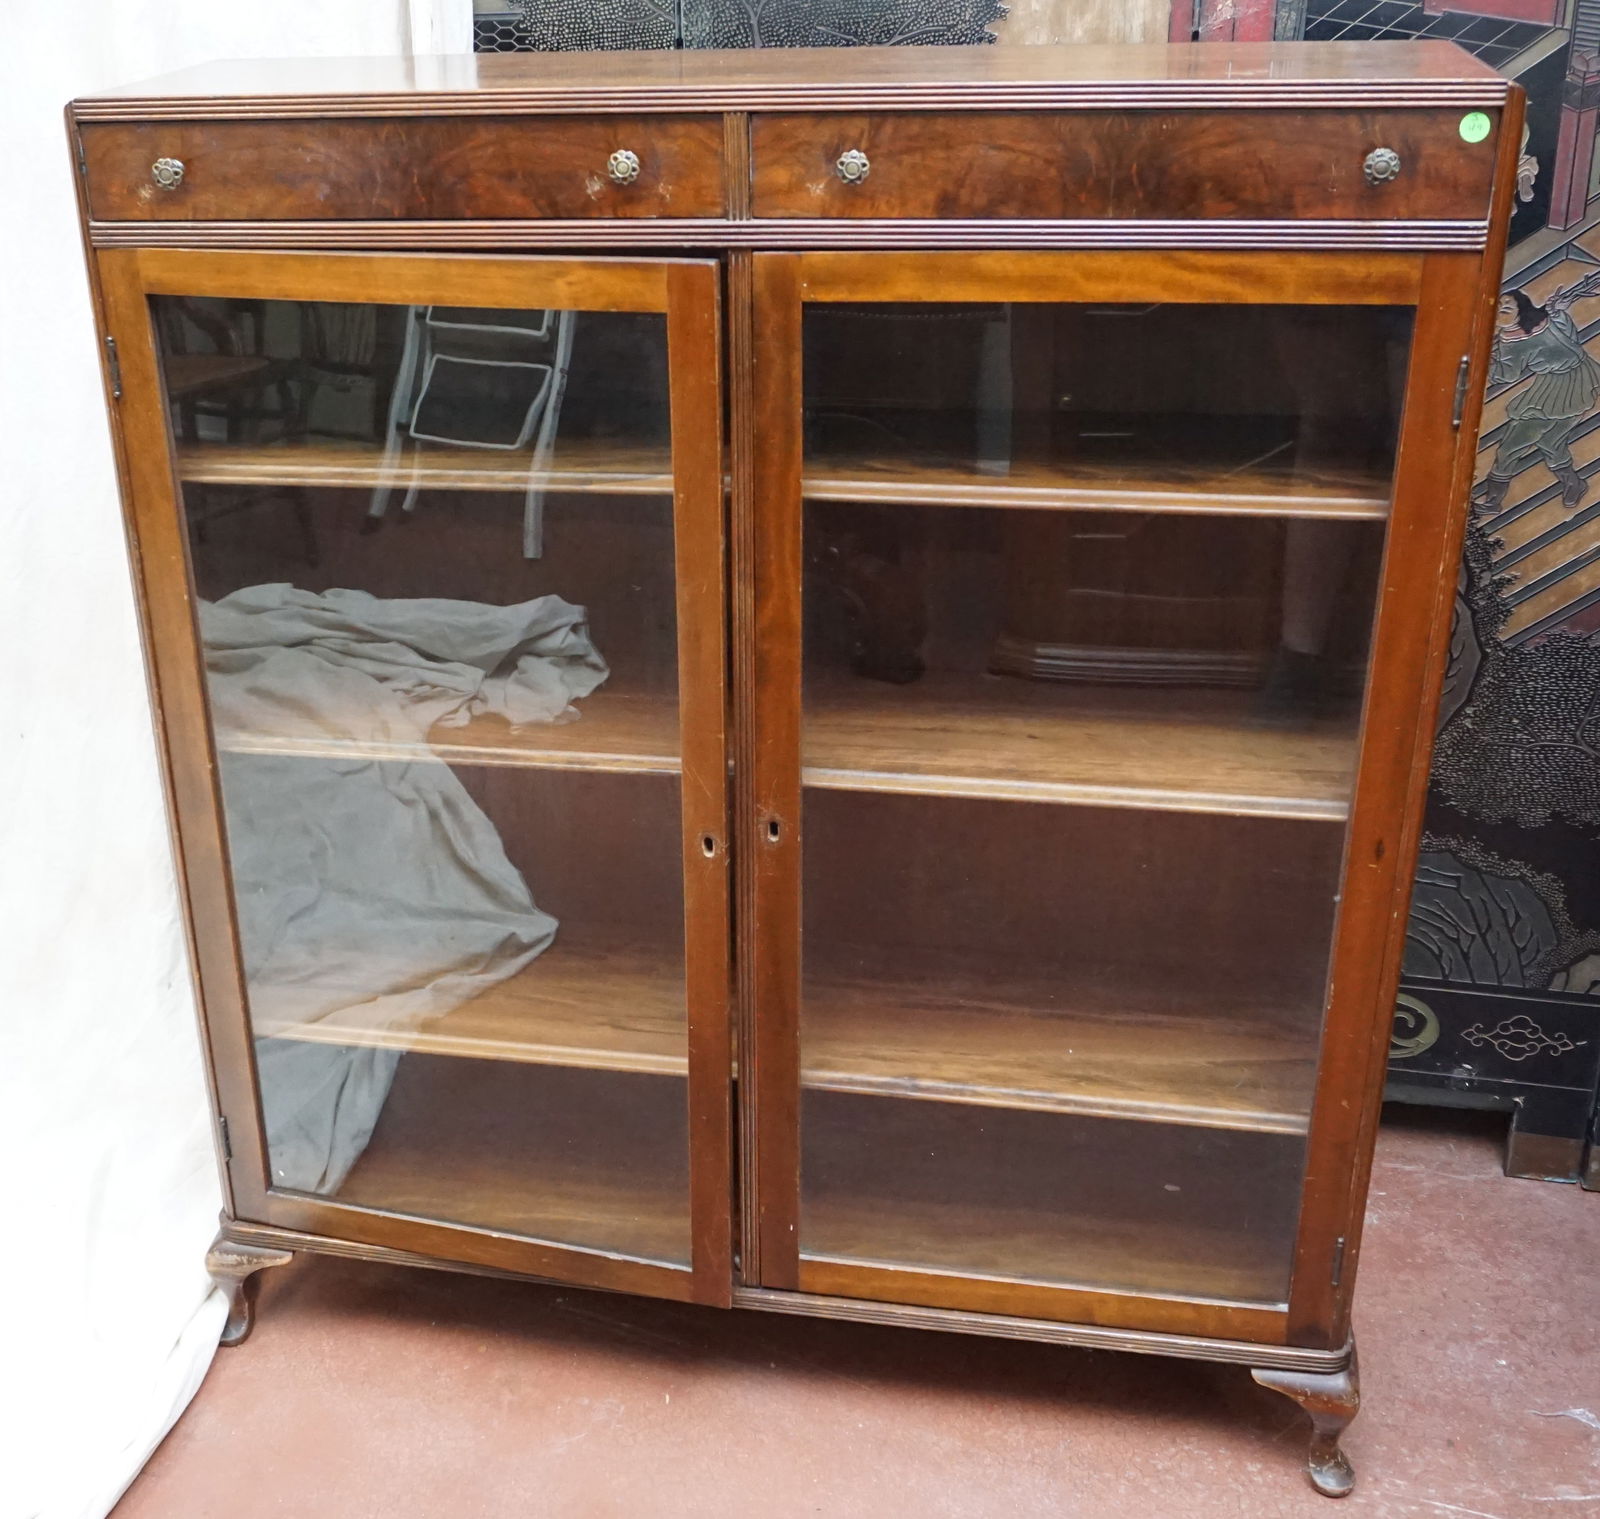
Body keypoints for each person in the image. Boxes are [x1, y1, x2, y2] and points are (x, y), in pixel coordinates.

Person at [1474, 276, 1600, 514]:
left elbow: (1506, 375)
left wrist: (1485, 363)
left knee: (1511, 445)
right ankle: (1574, 483)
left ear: (1522, 309)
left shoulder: (1537, 326)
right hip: (1575, 382)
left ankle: (1493, 500)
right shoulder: (1512, 339)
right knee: (1550, 441)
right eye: (1497, 307)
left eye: (1507, 307)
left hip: (1568, 386)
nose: (1500, 311)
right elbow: (1509, 374)